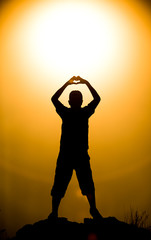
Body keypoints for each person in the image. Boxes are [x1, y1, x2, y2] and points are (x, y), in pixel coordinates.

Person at [49, 76, 102, 220]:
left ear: (69, 102)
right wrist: (86, 83)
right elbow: (97, 99)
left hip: (74, 155)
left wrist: (67, 84)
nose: (77, 101)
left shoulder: (69, 113)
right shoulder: (82, 113)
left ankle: (91, 209)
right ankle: (56, 212)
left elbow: (54, 99)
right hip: (72, 155)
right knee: (63, 184)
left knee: (82, 184)